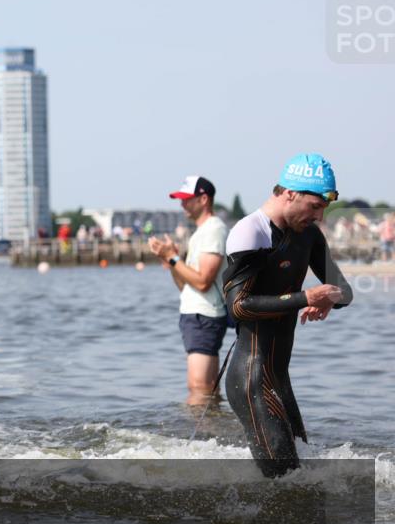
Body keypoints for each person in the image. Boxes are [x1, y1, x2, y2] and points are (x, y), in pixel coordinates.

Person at [222, 154, 352, 478]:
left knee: (301, 477)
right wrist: (305, 297)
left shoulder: (309, 235)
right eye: (314, 206)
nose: (319, 217)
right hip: (250, 380)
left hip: (280, 379)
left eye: (324, 209)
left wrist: (329, 297)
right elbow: (238, 306)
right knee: (286, 482)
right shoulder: (250, 232)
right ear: (290, 193)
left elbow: (344, 290)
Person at [148, 176, 229, 405]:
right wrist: (172, 261)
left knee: (199, 388)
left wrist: (173, 258)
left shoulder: (213, 230)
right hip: (198, 314)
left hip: (204, 315)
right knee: (206, 388)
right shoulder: (201, 232)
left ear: (204, 199)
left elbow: (203, 281)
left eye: (187, 199)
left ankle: (199, 436)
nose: (182, 204)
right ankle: (210, 433)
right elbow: (185, 286)